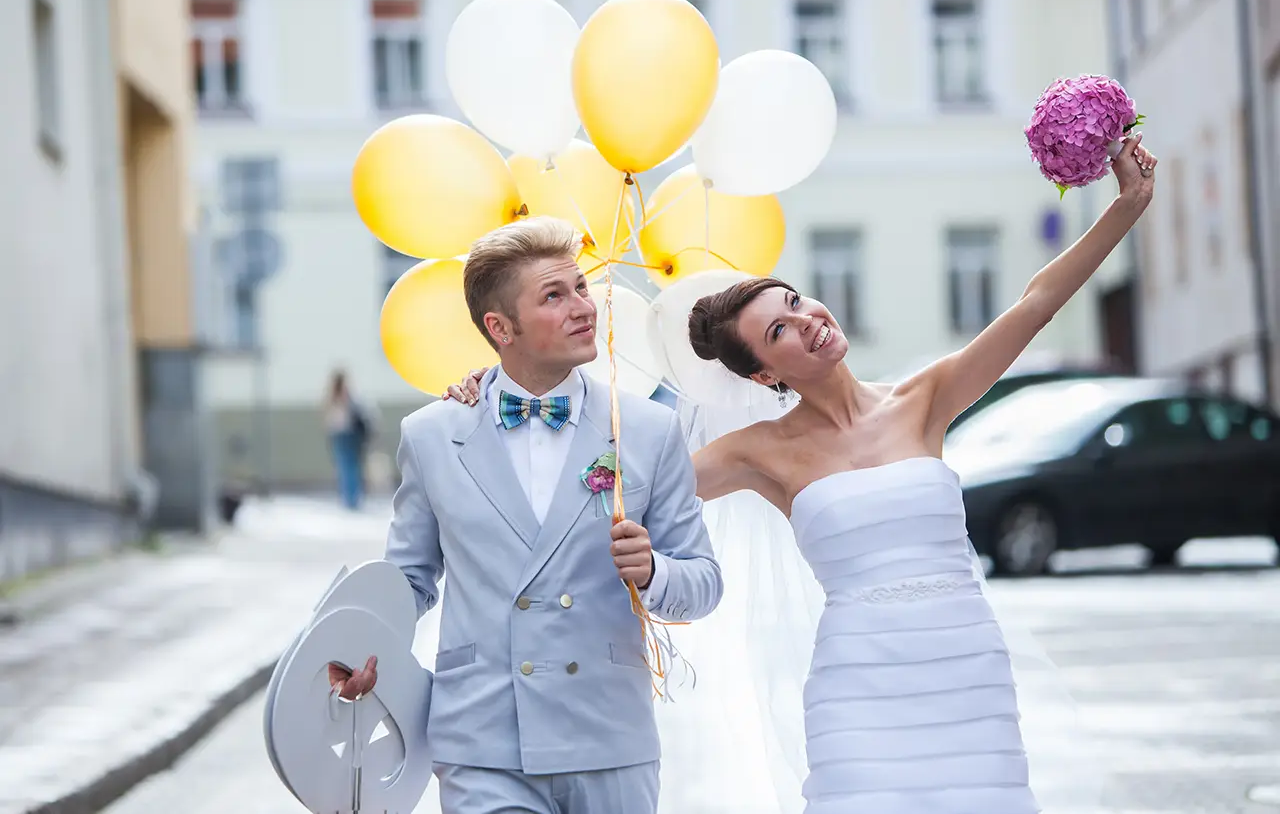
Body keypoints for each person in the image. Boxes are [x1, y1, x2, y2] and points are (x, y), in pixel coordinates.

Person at [446, 134, 1158, 812]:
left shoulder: (927, 397)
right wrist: (504, 391)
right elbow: (602, 487)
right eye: (779, 330)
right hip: (859, 686)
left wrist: (1125, 206)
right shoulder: (760, 452)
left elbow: (1035, 305)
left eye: (794, 301)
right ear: (763, 372)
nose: (807, 319)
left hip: (968, 668)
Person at [329, 216, 724, 814]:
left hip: (608, 736)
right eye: (553, 296)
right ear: (499, 326)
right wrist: (360, 645)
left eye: (581, 289)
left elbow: (704, 582)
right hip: (481, 739)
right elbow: (408, 579)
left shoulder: (647, 430)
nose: (582, 307)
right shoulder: (432, 435)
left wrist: (652, 572)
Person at [324, 369, 371, 510]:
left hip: (341, 434)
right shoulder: (348, 395)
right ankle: (352, 498)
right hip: (348, 433)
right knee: (351, 466)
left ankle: (349, 497)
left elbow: (328, 417)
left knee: (345, 466)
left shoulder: (332, 395)